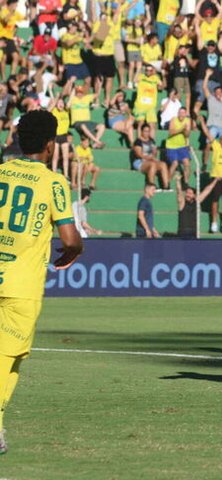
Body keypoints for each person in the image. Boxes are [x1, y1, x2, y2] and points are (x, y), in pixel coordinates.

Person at [0, 110, 83, 454]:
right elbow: (69, 236)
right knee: (9, 354)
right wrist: (74, 250)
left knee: (11, 357)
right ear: (50, 144)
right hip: (21, 284)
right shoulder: (53, 182)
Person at [175, 174, 219, 239]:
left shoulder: (196, 202)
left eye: (190, 193)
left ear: (194, 195)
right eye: (187, 193)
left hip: (194, 232)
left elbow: (207, 190)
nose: (188, 195)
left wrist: (216, 180)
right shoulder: (182, 203)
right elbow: (179, 192)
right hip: (183, 232)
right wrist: (177, 181)